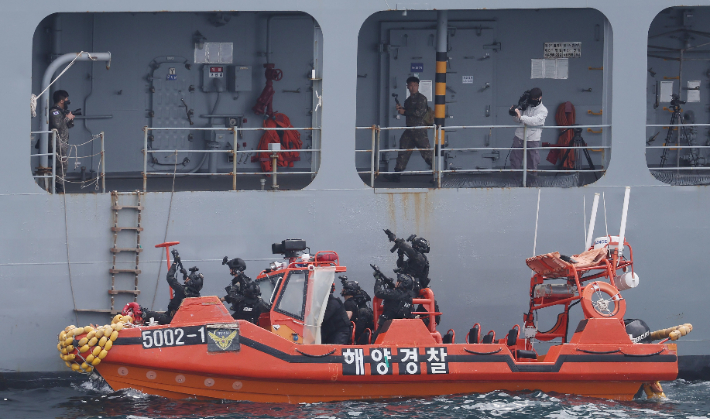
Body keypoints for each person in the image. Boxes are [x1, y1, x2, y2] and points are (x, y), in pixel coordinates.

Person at [386, 76, 432, 182]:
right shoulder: (408, 101)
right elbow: (408, 112)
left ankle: (437, 174)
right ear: (407, 87)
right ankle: (397, 174)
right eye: (411, 85)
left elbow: (419, 113)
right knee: (403, 150)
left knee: (426, 153)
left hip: (419, 130)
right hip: (410, 130)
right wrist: (402, 109)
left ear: (418, 86)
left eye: (415, 85)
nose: (413, 87)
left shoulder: (422, 98)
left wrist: (405, 112)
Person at [142, 250, 203, 325]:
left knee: (148, 314)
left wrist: (174, 263)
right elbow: (188, 286)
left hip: (172, 319)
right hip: (180, 318)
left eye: (189, 279)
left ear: (191, 283)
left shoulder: (181, 290)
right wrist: (185, 274)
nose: (187, 279)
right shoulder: (196, 295)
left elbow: (170, 277)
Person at [371, 269, 416, 342]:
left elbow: (378, 293)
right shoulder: (409, 295)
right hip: (401, 325)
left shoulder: (395, 294)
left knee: (375, 340)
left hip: (388, 325)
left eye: (398, 281)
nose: (396, 282)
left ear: (402, 283)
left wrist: (378, 281)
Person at [509, 87, 548, 172]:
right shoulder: (526, 105)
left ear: (540, 98)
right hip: (519, 136)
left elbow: (534, 121)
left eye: (534, 99)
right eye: (531, 98)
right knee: (515, 160)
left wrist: (521, 117)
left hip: (532, 139)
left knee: (532, 162)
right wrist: (514, 113)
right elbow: (517, 120)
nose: (532, 100)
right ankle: (514, 181)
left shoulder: (543, 110)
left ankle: (531, 182)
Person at [47, 90, 75, 193]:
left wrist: (70, 119)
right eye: (67, 100)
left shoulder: (61, 112)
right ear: (62, 100)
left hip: (62, 143)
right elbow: (57, 125)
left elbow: (67, 126)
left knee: (62, 164)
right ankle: (58, 185)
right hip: (57, 143)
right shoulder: (54, 112)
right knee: (62, 164)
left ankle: (59, 184)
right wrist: (67, 118)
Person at [340, 276, 374, 344]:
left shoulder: (348, 303)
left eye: (344, 288)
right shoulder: (354, 303)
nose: (342, 290)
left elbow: (346, 318)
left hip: (350, 335)